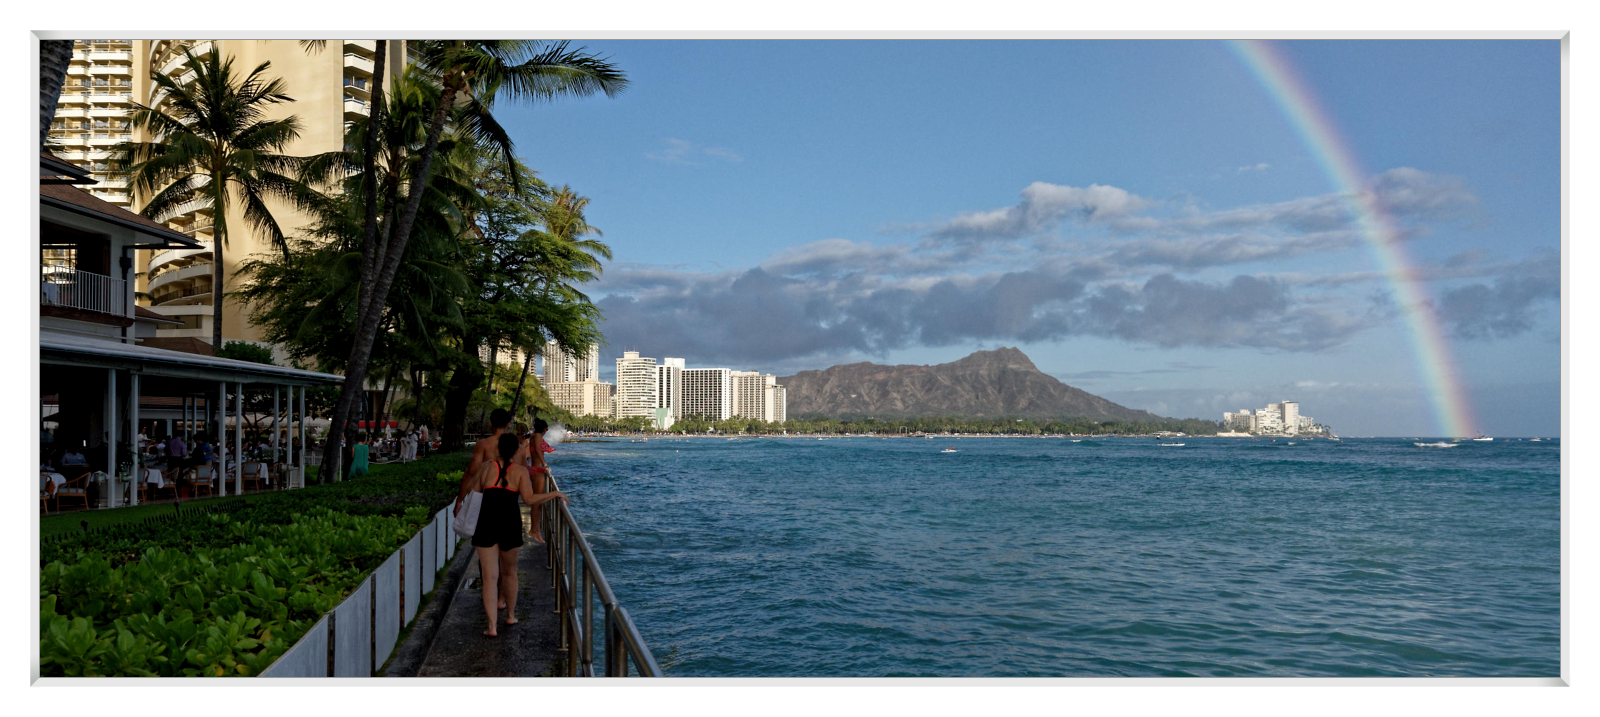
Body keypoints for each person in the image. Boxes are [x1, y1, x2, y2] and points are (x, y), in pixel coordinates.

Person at [463, 432, 568, 637]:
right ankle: (510, 615)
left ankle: (492, 626)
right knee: (510, 573)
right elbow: (529, 499)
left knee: (489, 577)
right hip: (510, 525)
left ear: (498, 448)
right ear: (517, 450)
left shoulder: (486, 468)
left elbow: (474, 493)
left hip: (486, 525)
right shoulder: (520, 472)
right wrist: (554, 493)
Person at [458, 409, 513, 515]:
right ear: (508, 424)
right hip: (510, 498)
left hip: (487, 496)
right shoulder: (518, 447)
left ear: (490, 423)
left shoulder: (483, 445)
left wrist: (459, 500)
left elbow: (471, 472)